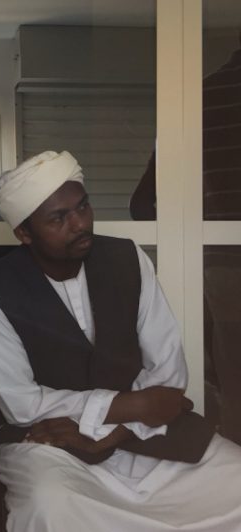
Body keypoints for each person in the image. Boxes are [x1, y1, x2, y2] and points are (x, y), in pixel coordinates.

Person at [0, 150, 241, 531]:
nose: (80, 224)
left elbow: (167, 372)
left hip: (143, 432)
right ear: (24, 234)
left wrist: (112, 431)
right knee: (50, 505)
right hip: (50, 442)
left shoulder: (127, 258)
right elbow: (21, 403)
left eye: (83, 207)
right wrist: (134, 403)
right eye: (58, 218)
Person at [130, 37, 241, 445]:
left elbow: (141, 204)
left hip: (221, 269)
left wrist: (192, 239)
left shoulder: (197, 100)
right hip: (221, 267)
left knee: (234, 384)